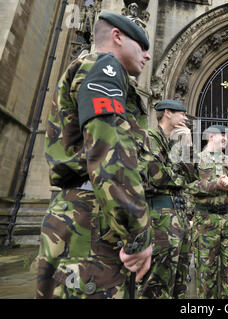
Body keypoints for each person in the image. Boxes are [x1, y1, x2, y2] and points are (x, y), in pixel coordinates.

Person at [36, 13, 153, 299]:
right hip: (91, 222)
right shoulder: (105, 67)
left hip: (81, 215)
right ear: (117, 37)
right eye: (141, 45)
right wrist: (138, 234)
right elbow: (109, 152)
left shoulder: (91, 69)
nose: (147, 56)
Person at [138, 99, 194, 299]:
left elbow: (191, 178)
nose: (186, 118)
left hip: (178, 219)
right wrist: (178, 175)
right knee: (156, 285)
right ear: (168, 113)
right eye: (182, 114)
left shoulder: (175, 143)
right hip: (159, 219)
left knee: (179, 284)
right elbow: (158, 177)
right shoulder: (150, 138)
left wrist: (186, 147)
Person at [190, 125, 228, 299]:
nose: (225, 138)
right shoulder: (197, 160)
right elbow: (187, 186)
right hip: (205, 221)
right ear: (210, 136)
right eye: (221, 135)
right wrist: (213, 185)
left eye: (227, 136)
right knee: (206, 272)